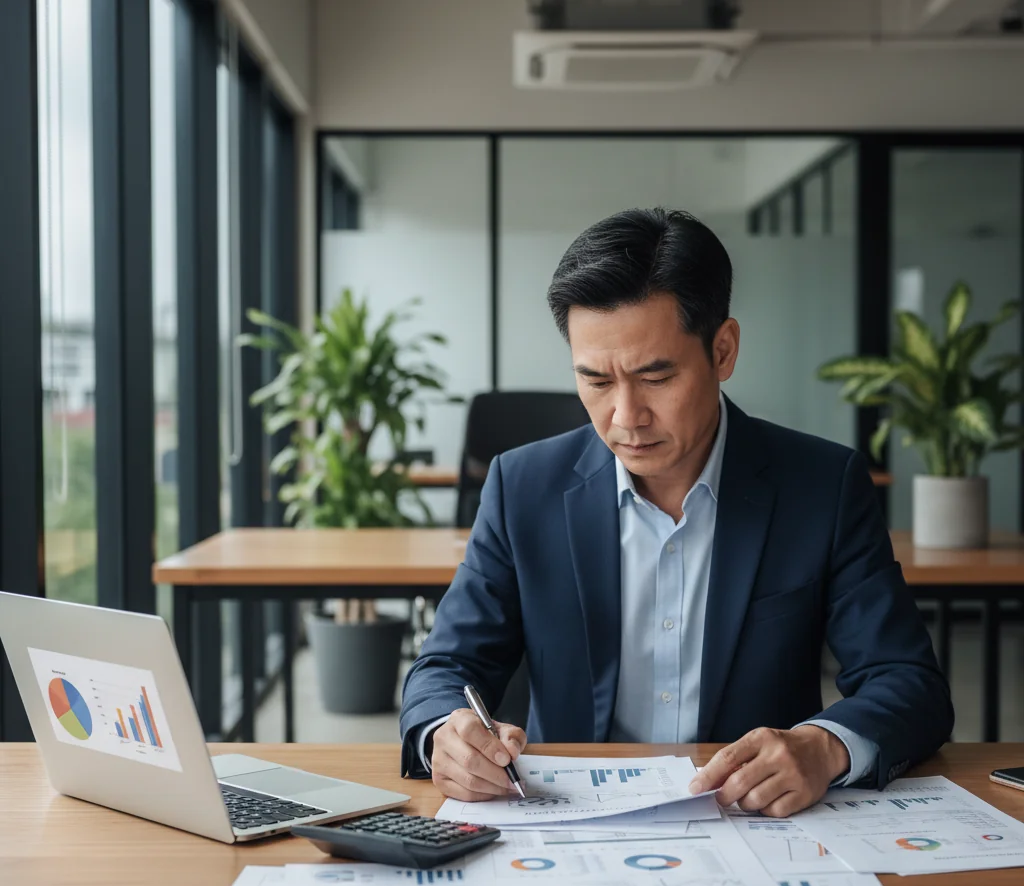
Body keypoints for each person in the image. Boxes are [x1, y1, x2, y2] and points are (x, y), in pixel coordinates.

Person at [399, 208, 953, 817]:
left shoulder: (821, 486)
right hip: (568, 819)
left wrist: (823, 748)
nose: (625, 416)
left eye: (655, 377)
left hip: (751, 820)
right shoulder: (522, 486)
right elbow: (446, 666)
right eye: (596, 381)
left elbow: (908, 682)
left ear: (723, 350)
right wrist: (442, 736)